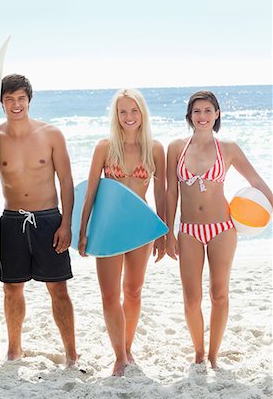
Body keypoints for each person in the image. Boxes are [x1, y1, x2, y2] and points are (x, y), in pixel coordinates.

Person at [0, 74, 77, 366]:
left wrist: (66, 224)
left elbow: (66, 182)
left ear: (29, 100)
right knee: (11, 289)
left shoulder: (51, 134)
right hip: (11, 222)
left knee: (58, 289)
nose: (16, 104)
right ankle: (14, 350)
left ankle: (71, 354)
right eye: (9, 99)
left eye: (21, 98)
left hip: (48, 220)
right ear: (2, 103)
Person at [166, 90, 273, 369]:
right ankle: (198, 352)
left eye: (208, 111)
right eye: (197, 111)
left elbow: (256, 181)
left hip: (222, 228)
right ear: (189, 116)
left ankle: (213, 356)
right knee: (191, 298)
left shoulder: (228, 148)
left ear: (217, 114)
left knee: (219, 294)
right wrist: (167, 233)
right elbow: (170, 193)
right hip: (188, 229)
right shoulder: (176, 148)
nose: (202, 116)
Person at [78, 88, 166, 376]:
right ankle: (119, 356)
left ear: (143, 113)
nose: (129, 117)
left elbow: (161, 193)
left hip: (141, 229)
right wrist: (82, 229)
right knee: (109, 294)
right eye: (123, 111)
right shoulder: (104, 147)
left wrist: (163, 231)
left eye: (134, 110)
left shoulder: (154, 149)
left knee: (133, 291)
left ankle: (127, 349)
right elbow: (91, 191)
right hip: (107, 229)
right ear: (116, 116)